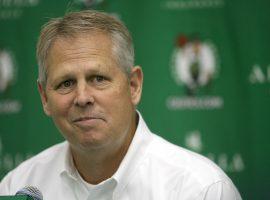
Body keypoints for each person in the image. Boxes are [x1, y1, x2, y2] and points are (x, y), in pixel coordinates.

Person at [0, 10, 242, 199]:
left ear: (133, 86)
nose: (82, 97)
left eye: (98, 78)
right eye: (66, 83)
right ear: (44, 98)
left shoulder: (200, 190)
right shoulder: (18, 187)